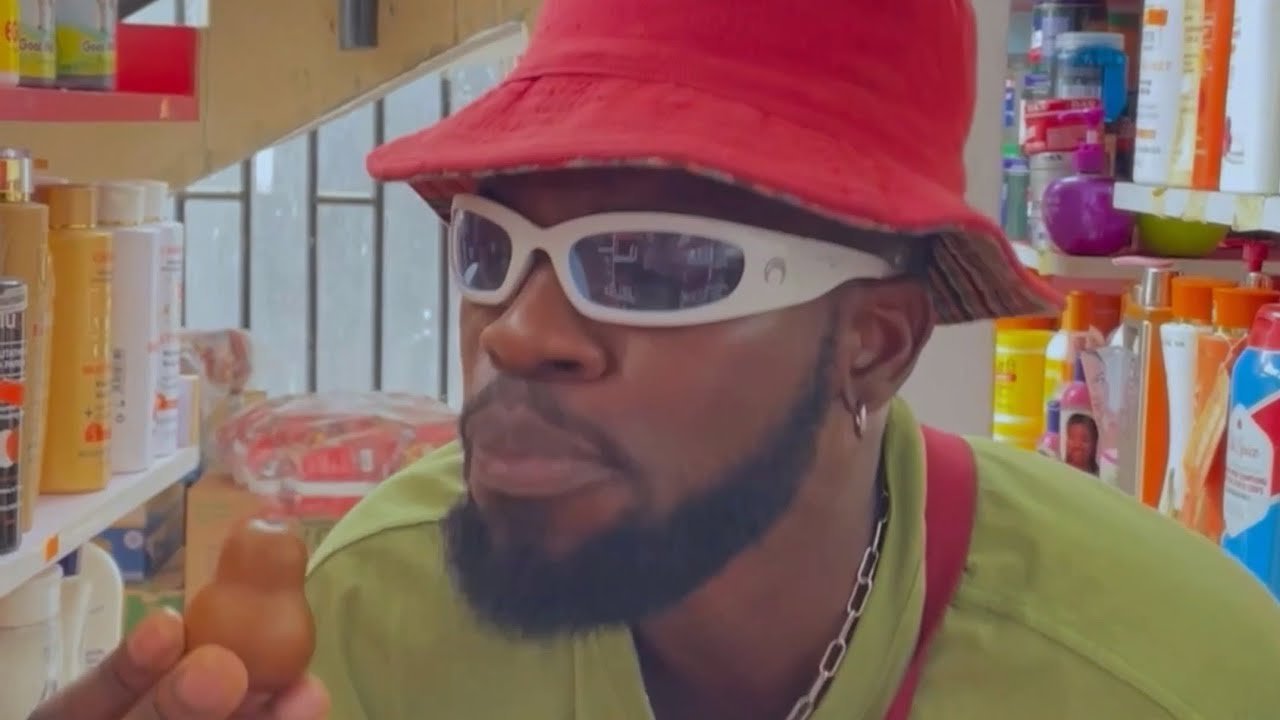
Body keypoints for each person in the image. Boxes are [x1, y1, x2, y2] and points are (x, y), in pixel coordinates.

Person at [35, 0, 1280, 718]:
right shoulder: (371, 623)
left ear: (874, 345)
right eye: (490, 247)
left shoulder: (1175, 679)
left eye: (654, 265)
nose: (516, 331)